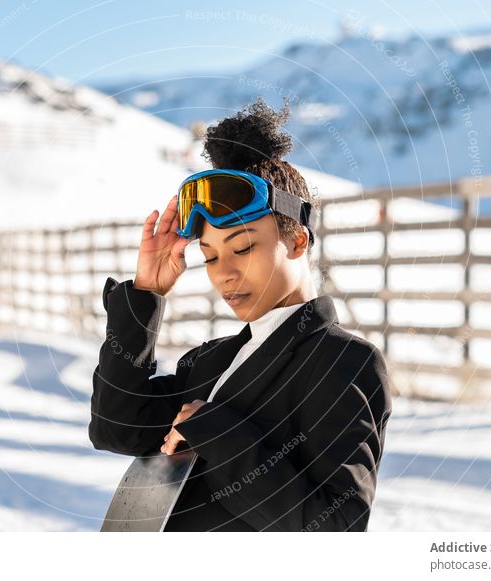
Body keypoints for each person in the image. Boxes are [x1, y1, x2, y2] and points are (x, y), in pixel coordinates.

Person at [89, 97, 392, 531]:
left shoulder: (341, 360)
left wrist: (219, 433)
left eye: (243, 248)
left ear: (299, 241)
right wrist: (145, 295)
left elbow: (337, 526)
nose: (224, 275)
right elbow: (116, 428)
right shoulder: (210, 361)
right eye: (210, 257)